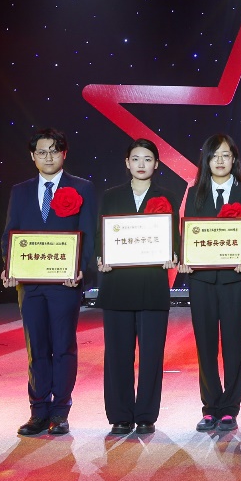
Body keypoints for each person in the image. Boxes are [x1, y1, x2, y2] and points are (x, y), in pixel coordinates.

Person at [0, 128, 97, 437]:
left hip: (65, 284)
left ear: (64, 154)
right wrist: (9, 266)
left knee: (63, 346)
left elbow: (89, 235)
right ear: (33, 156)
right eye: (42, 152)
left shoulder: (82, 188)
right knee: (36, 348)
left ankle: (60, 411)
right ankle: (38, 411)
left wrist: (81, 270)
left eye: (54, 151)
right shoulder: (20, 191)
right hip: (29, 284)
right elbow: (10, 235)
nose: (48, 157)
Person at [95, 139, 179, 436]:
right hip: (118, 286)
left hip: (152, 286)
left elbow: (174, 236)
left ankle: (145, 415)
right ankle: (120, 415)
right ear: (127, 163)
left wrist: (173, 254)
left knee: (152, 355)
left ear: (156, 164)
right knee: (117, 355)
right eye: (135, 158)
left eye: (147, 159)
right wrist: (101, 258)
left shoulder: (168, 196)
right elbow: (101, 235)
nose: (141, 164)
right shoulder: (111, 196)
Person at [177, 133, 241, 434]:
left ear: (234, 159)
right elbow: (187, 232)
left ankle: (230, 408)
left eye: (226, 155)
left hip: (234, 279)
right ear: (206, 160)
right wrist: (185, 257)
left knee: (234, 343)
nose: (220, 161)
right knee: (205, 343)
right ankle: (210, 406)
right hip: (201, 279)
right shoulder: (194, 193)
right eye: (214, 156)